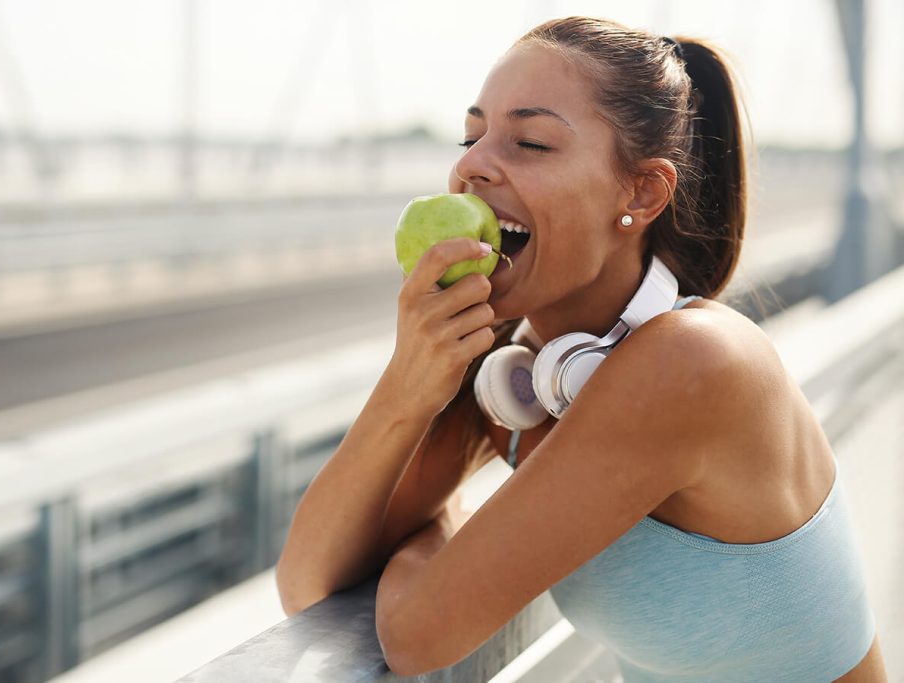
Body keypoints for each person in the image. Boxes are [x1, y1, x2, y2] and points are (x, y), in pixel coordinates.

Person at [275, 16, 888, 682]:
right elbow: (309, 581)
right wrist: (407, 385)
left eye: (530, 142)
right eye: (472, 134)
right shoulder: (519, 371)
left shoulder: (693, 363)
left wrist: (440, 530)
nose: (472, 164)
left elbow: (418, 632)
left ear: (642, 192)